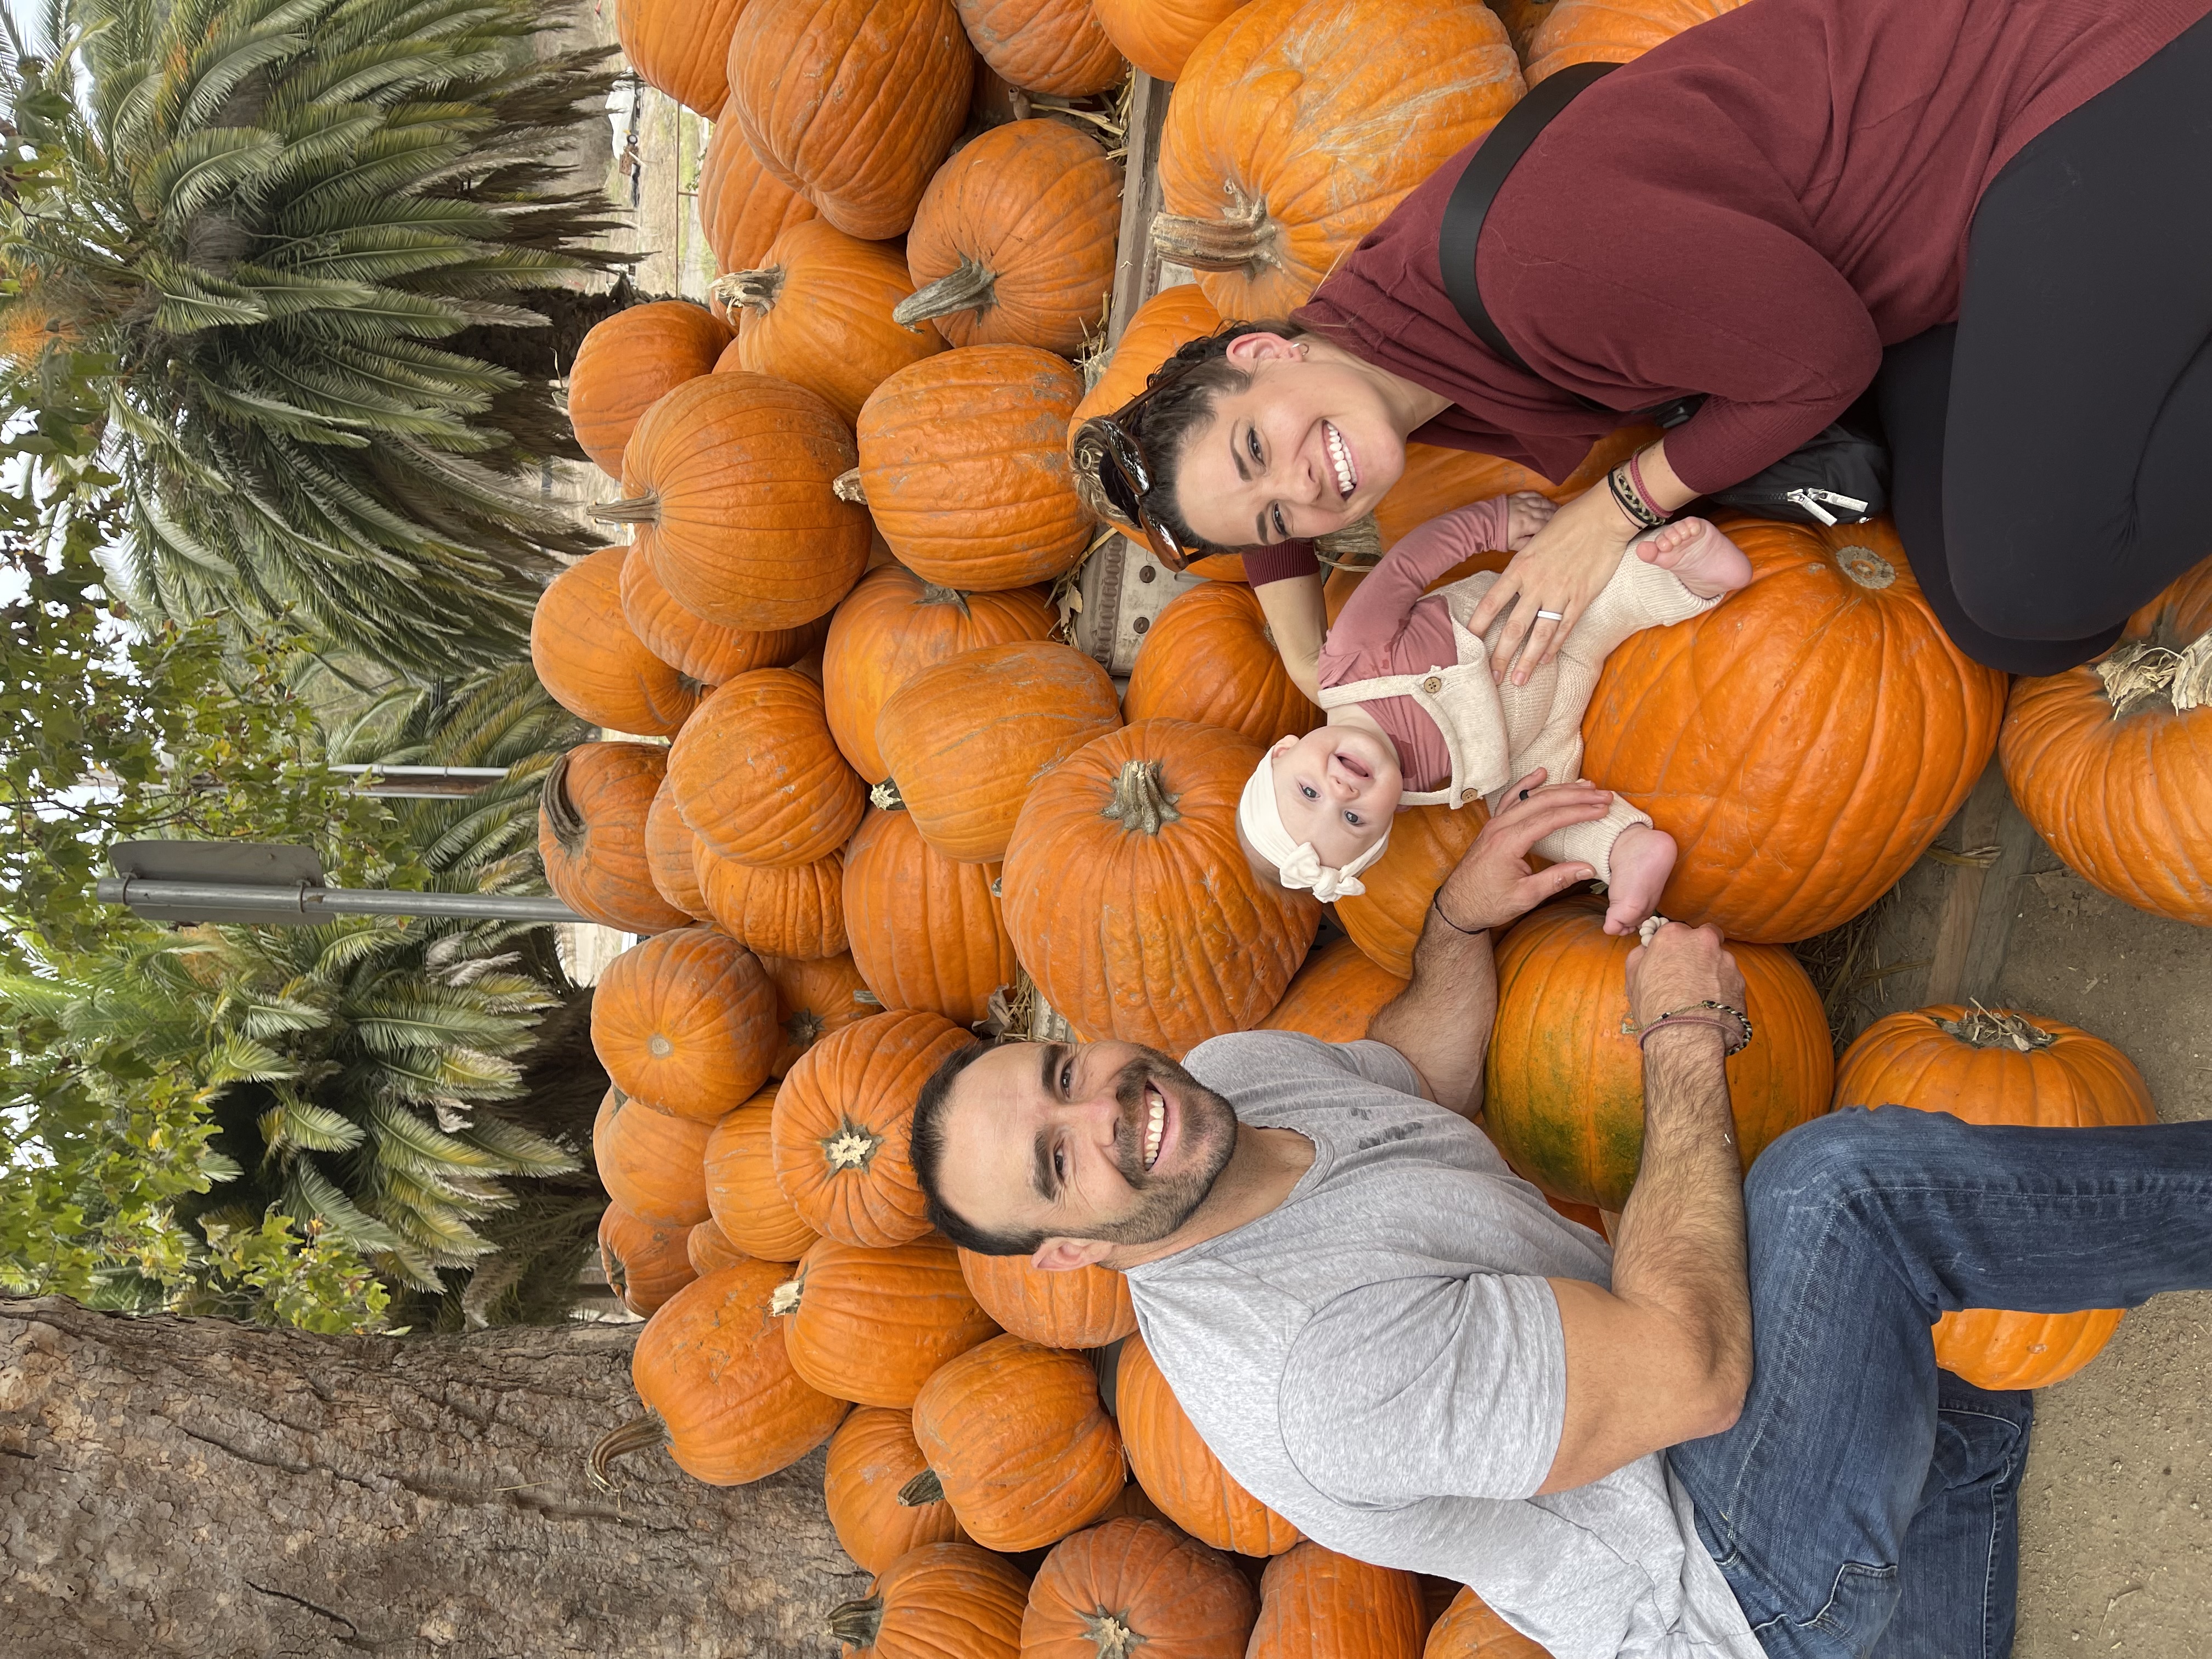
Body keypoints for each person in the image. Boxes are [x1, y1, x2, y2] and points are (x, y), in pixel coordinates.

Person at [906, 779, 2212, 1659]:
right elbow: (1693, 1374)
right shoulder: (1314, 1373)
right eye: (1054, 1164)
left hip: (1694, 1440)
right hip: (1732, 1583)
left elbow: (1409, 1081)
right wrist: (1683, 1038)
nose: (1104, 1115)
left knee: (1959, 1429)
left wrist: (1460, 921)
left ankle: (1937, 1491)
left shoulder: (1231, 1085)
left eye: (1066, 1075)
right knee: (1840, 1197)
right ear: (1072, 1252)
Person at [1074, 0, 2212, 680]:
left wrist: (1610, 514)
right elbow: (1270, 482)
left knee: (2032, 582)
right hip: (1936, 241)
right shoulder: (1361, 328)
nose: (1307, 495)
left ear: (1265, 353)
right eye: (1283, 519)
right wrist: (1306, 657)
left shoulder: (1532, 272)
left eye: (1259, 456)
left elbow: (1826, 369)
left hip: (2069, 99)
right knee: (2004, 629)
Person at [1238, 494, 1751, 932]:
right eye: (1352, 819)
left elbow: (1407, 565)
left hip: (1549, 622)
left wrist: (1495, 521)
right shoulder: (1409, 790)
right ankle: (1624, 849)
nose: (1342, 792)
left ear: (1285, 750)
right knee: (1528, 817)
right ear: (1388, 823)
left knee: (1613, 596)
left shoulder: (1353, 657)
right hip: (1538, 742)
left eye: (1309, 792)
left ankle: (1696, 576)